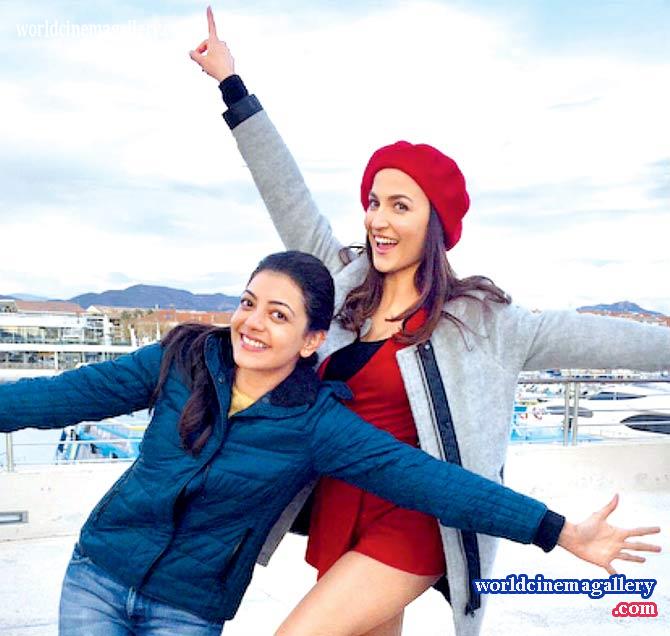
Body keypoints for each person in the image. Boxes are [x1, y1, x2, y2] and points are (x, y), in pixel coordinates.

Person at [189, 8, 670, 636]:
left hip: (418, 514)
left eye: (400, 205)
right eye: (373, 202)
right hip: (341, 504)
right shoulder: (342, 284)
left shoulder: (483, 321)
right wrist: (232, 85)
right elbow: (285, 190)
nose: (378, 219)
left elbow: (606, 339)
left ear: (434, 222)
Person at [0, 251, 662, 636]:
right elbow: (56, 398)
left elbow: (432, 480)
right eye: (248, 303)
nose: (253, 323)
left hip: (187, 607)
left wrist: (556, 530)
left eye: (278, 315)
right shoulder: (182, 359)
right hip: (98, 574)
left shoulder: (316, 422)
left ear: (312, 340)